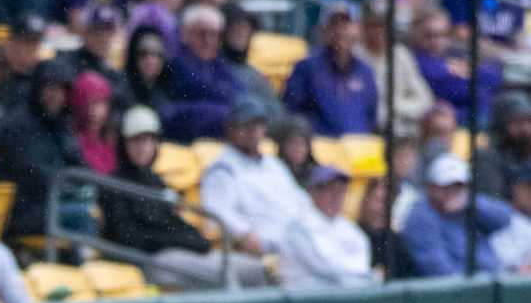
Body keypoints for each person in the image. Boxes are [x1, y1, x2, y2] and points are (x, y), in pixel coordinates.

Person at [100, 106, 233, 288]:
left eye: (147, 140)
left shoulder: (156, 182)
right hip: (148, 260)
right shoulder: (113, 184)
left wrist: (195, 240)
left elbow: (174, 222)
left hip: (172, 253)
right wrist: (182, 242)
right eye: (135, 141)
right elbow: (130, 238)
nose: (142, 147)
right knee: (223, 274)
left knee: (251, 268)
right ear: (124, 144)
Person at [200, 103, 312, 268]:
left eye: (258, 124)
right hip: (269, 246)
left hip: (302, 238)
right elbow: (217, 211)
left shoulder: (273, 164)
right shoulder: (222, 169)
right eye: (245, 125)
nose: (253, 131)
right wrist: (244, 234)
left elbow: (300, 200)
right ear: (231, 128)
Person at [0, 64, 79, 253]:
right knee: (81, 216)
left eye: (61, 90)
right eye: (50, 88)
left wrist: (83, 187)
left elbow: (78, 162)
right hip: (21, 209)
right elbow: (32, 174)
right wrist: (70, 189)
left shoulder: (59, 124)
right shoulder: (18, 124)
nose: (56, 96)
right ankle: (83, 269)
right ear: (38, 88)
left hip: (52, 203)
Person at [401, 150, 509, 275]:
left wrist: (472, 202)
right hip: (459, 289)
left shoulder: (469, 205)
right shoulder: (421, 217)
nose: (452, 191)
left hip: (489, 277)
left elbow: (505, 218)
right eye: (445, 186)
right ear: (431, 187)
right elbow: (439, 270)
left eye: (458, 185)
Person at [278, 160, 377, 290]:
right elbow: (328, 268)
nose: (336, 196)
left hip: (341, 296)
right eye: (330, 190)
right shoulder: (298, 226)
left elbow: (362, 262)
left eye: (341, 190)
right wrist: (366, 275)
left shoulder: (349, 227)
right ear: (313, 192)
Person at [283, 4, 378, 133]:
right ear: (324, 30)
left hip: (360, 147)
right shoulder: (306, 68)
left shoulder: (365, 71)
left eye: (346, 25)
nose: (340, 31)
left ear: (358, 30)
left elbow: (371, 117)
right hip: (321, 146)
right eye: (334, 25)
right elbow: (293, 113)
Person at [410, 1, 499, 125]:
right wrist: (457, 70)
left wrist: (459, 70)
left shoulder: (455, 52)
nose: (436, 41)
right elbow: (440, 81)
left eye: (442, 35)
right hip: (445, 121)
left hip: (479, 114)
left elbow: (494, 75)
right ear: (415, 34)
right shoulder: (412, 58)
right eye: (429, 35)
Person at [359, 0, 433, 131]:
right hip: (367, 128)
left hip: (401, 126)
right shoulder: (356, 54)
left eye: (384, 24)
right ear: (363, 25)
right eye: (374, 25)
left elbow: (425, 100)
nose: (380, 30)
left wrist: (394, 106)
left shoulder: (400, 54)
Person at [164, 0, 236, 141]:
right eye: (202, 33)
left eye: (215, 35)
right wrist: (228, 113)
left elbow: (239, 93)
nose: (209, 40)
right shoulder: (175, 62)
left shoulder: (219, 62)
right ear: (185, 33)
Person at [472, 88, 531, 198]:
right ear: (500, 124)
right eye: (517, 121)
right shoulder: (486, 157)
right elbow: (493, 201)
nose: (526, 129)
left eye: (529, 120)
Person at [357, 171, 414, 278]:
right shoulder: (352, 233)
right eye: (378, 201)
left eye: (388, 203)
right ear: (366, 201)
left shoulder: (395, 242)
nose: (382, 209)